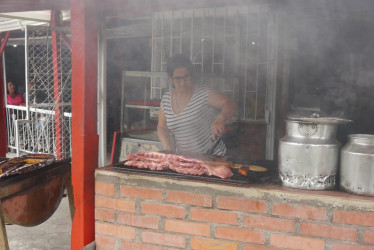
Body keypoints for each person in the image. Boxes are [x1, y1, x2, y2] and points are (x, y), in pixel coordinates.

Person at [157, 54, 237, 156]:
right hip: (186, 159)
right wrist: (167, 145)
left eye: (186, 77)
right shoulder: (166, 100)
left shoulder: (203, 94)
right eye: (177, 79)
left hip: (213, 156)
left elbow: (230, 103)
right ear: (171, 79)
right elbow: (162, 127)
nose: (182, 83)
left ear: (191, 75)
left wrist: (221, 118)